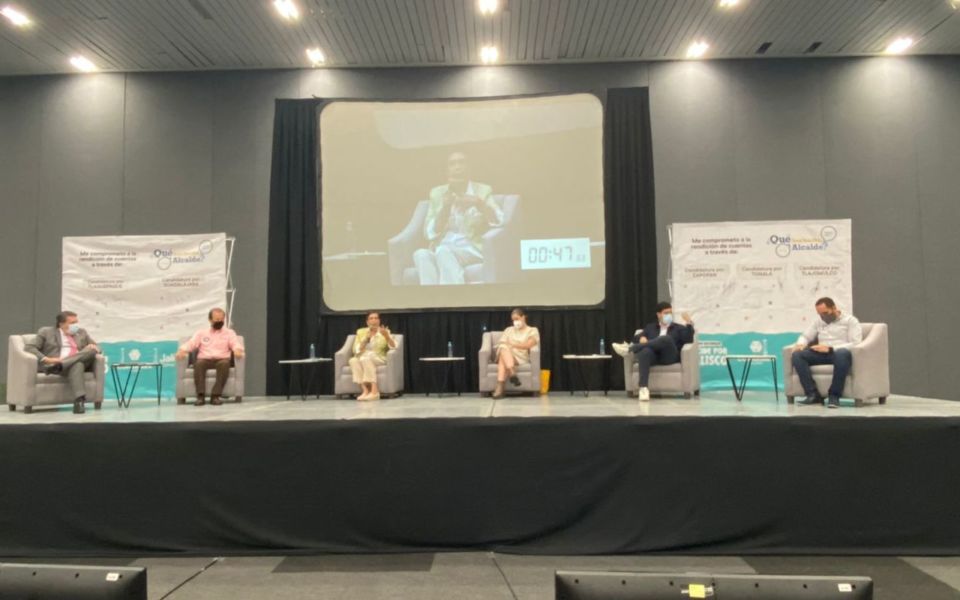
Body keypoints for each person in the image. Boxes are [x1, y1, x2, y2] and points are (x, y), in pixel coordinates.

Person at [412, 151, 504, 285]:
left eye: (462, 162)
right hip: (441, 247)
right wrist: (445, 208)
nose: (457, 167)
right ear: (447, 171)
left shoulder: (483, 190)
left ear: (469, 168)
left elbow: (499, 220)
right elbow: (429, 233)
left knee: (444, 252)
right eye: (452, 164)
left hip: (471, 248)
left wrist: (479, 203)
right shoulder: (437, 193)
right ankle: (431, 297)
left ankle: (453, 296)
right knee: (421, 254)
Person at [613, 302, 695, 402]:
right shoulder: (650, 327)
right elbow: (636, 337)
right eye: (666, 313)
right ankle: (643, 388)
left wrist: (689, 323)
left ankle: (629, 349)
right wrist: (641, 337)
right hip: (654, 357)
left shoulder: (678, 328)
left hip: (670, 357)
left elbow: (689, 339)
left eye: (670, 313)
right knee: (645, 351)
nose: (669, 315)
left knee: (666, 339)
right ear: (658, 314)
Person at [792, 297, 862, 408]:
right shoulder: (818, 321)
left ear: (834, 308)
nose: (823, 317)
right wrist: (800, 344)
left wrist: (831, 348)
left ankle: (834, 396)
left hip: (839, 354)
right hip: (821, 354)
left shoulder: (850, 321)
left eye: (825, 313)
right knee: (797, 355)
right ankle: (813, 394)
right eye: (820, 314)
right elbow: (806, 336)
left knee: (842, 353)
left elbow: (855, 343)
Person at [25, 311, 101, 414]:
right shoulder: (46, 332)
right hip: (57, 361)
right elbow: (29, 347)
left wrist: (94, 346)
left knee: (91, 350)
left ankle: (59, 366)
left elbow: (98, 348)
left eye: (76, 322)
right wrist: (47, 359)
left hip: (62, 365)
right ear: (61, 324)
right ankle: (79, 401)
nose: (76, 326)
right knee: (77, 364)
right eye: (72, 323)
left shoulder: (82, 332)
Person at [175, 308, 244, 406]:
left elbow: (235, 343)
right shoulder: (201, 333)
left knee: (224, 364)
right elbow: (192, 343)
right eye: (217, 320)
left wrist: (237, 350)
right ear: (210, 320)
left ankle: (215, 396)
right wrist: (182, 350)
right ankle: (200, 396)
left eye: (222, 319)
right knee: (198, 364)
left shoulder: (229, 333)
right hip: (205, 359)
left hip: (222, 359)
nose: (219, 322)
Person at [492, 308, 540, 399]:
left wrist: (512, 344)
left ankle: (500, 388)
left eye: (517, 319)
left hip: (520, 356)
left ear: (523, 317)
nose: (515, 322)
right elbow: (502, 343)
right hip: (507, 353)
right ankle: (511, 371)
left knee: (503, 357)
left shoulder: (532, 330)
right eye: (513, 320)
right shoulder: (508, 330)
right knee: (503, 347)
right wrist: (508, 345)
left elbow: (528, 345)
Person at [349, 311, 397, 401]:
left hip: (379, 358)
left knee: (366, 358)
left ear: (379, 320)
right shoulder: (361, 332)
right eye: (371, 318)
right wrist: (366, 339)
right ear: (367, 322)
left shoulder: (385, 331)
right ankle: (365, 391)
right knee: (353, 360)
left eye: (376, 318)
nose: (374, 320)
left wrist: (386, 336)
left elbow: (394, 346)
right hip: (363, 357)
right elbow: (356, 350)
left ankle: (374, 391)